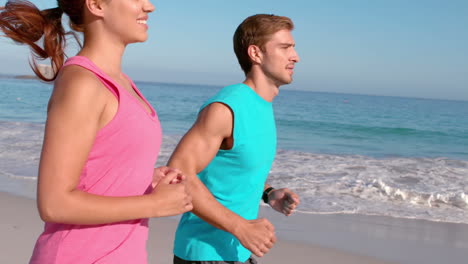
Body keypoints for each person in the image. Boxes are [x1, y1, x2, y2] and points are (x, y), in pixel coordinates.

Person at [0, 1, 192, 263]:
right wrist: (156, 205)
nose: (149, 6)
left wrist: (145, 179)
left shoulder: (121, 82)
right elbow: (54, 203)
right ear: (97, 5)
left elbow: (99, 170)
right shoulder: (83, 82)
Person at [167, 14, 301, 264]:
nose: (295, 56)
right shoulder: (227, 107)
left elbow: (226, 172)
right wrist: (241, 227)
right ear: (256, 53)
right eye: (285, 47)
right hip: (205, 255)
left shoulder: (260, 105)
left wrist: (268, 193)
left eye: (293, 48)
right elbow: (177, 173)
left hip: (237, 252)